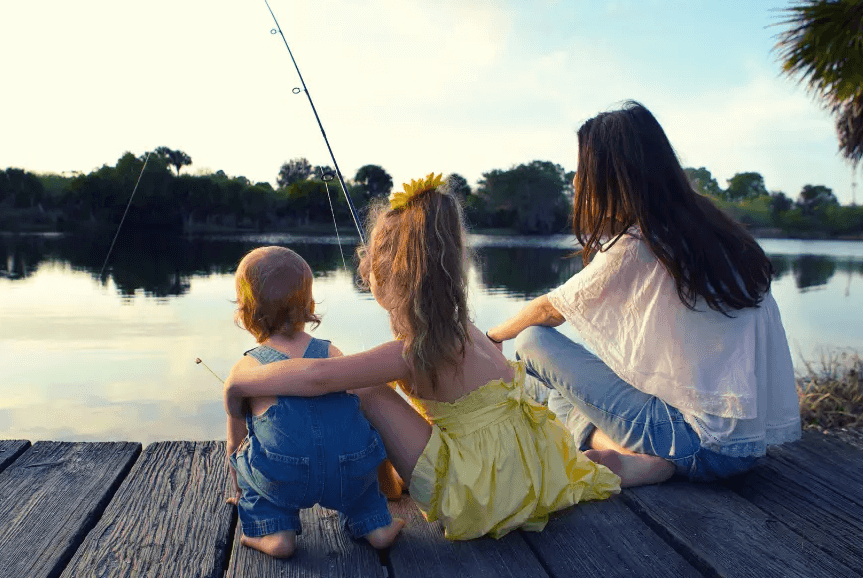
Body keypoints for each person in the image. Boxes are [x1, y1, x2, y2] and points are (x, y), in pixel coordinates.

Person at [224, 174, 622, 541]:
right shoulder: (464, 328)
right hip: (531, 466)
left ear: (386, 275)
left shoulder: (410, 351)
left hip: (476, 493)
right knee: (595, 464)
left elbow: (319, 378)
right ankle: (640, 464)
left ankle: (383, 489)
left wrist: (241, 382)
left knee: (363, 387)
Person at [486, 101, 801, 486]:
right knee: (555, 388)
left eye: (582, 170)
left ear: (611, 176)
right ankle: (639, 458)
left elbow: (549, 311)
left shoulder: (642, 241)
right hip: (744, 451)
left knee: (532, 342)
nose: (575, 182)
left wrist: (490, 337)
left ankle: (636, 455)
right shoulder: (715, 232)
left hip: (692, 442)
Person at [223, 246, 404, 558]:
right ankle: (377, 526)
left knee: (248, 458)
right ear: (308, 304)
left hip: (284, 475)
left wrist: (240, 488)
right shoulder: (331, 353)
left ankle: (275, 537)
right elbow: (358, 406)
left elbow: (234, 444)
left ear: (245, 312)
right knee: (358, 480)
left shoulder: (246, 368)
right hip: (348, 468)